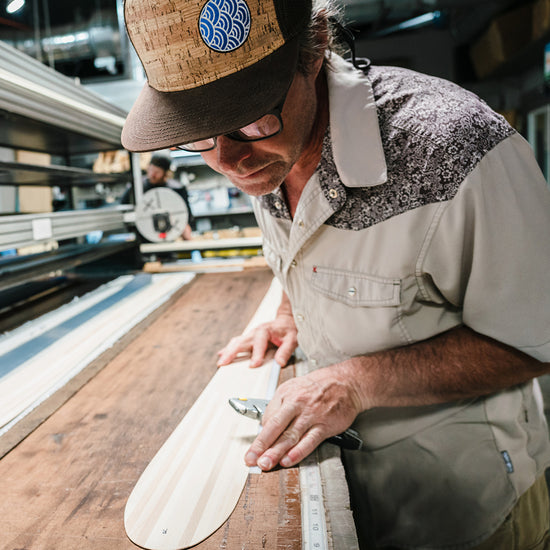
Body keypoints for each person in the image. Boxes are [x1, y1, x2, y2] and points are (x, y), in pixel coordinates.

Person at [121, 0, 550, 547]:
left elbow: (539, 339)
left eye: (250, 119)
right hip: (350, 495)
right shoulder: (266, 157)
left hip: (468, 511)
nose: (229, 161)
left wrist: (356, 382)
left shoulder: (454, 149)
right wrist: (290, 309)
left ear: (316, 44)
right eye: (198, 135)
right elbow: (302, 249)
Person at [121, 154, 194, 240]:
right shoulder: (136, 187)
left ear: (166, 173)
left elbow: (186, 215)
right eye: (151, 170)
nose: (152, 175)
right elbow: (124, 208)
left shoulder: (177, 189)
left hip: (170, 236)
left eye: (157, 172)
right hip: (142, 235)